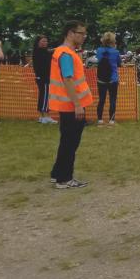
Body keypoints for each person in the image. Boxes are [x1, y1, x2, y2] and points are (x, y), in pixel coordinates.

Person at [49, 21, 93, 189]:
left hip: (67, 105)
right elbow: (68, 79)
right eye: (81, 33)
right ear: (70, 33)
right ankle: (64, 178)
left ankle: (57, 174)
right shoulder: (66, 54)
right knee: (70, 143)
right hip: (71, 106)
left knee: (66, 141)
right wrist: (77, 105)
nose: (84, 37)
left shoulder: (64, 52)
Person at [96, 32, 122, 125]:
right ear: (113, 41)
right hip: (113, 79)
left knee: (101, 100)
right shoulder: (116, 52)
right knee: (112, 99)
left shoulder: (99, 50)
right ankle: (111, 120)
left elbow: (97, 61)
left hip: (101, 79)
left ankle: (100, 119)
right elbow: (119, 64)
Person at [32, 35, 57, 124]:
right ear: (38, 42)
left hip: (41, 77)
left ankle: (42, 116)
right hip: (44, 78)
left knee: (42, 96)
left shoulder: (38, 51)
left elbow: (50, 51)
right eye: (43, 41)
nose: (45, 43)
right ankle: (46, 116)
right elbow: (49, 52)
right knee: (45, 97)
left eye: (46, 41)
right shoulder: (41, 52)